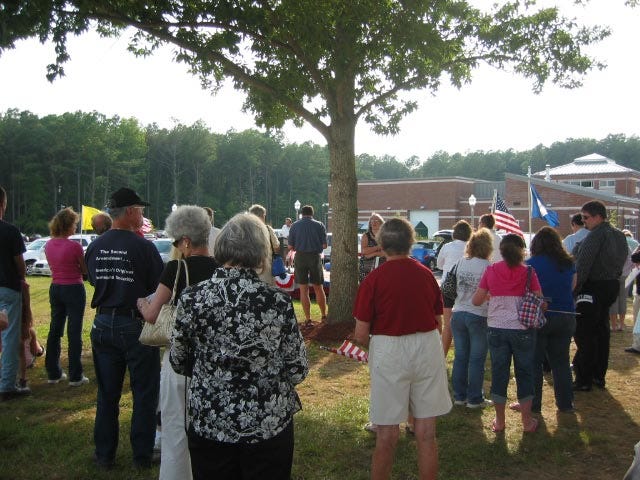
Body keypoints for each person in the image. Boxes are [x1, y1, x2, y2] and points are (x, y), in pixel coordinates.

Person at [170, 213, 308, 480]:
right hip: (267, 424)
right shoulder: (276, 302)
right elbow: (297, 369)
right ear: (260, 252)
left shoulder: (192, 298)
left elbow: (179, 360)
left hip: (210, 420)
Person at [353, 218, 451, 480]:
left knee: (386, 434)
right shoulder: (427, 275)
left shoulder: (373, 280)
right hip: (427, 345)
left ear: (382, 245)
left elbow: (361, 334)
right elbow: (439, 321)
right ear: (411, 242)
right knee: (427, 433)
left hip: (389, 348)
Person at [137, 205, 219, 480]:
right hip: (213, 362)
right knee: (210, 434)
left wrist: (141, 302)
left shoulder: (175, 268)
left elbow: (151, 315)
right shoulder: (222, 271)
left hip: (179, 362)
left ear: (185, 240)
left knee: (174, 430)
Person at [85, 187, 164, 470]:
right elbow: (158, 287)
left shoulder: (95, 246)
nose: (143, 215)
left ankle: (104, 454)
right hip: (135, 324)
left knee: (107, 393)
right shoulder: (143, 247)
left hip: (103, 322)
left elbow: (93, 279)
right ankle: (141, 456)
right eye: (140, 211)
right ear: (130, 212)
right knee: (144, 392)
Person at [472, 234, 542, 434]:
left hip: (496, 329)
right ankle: (527, 421)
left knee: (499, 372)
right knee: (525, 372)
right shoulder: (529, 272)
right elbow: (539, 299)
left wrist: (489, 296)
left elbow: (476, 301)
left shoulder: (491, 270)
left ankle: (500, 420)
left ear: (501, 251)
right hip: (523, 329)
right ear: (522, 250)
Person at [572, 200, 628, 391]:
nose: (583, 221)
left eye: (585, 217)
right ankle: (598, 375)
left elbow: (583, 265)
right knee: (601, 331)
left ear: (598, 217)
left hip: (593, 288)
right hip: (611, 286)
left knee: (585, 333)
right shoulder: (619, 236)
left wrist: (574, 289)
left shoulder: (595, 236)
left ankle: (584, 378)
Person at [524, 226, 576, 413]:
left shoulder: (530, 264)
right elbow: (572, 286)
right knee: (561, 362)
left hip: (539, 315)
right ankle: (566, 403)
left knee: (534, 363)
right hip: (565, 315)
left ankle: (534, 404)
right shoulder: (568, 263)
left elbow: (526, 291)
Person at [43, 207, 88, 386]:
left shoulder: (48, 244)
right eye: (75, 224)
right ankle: (75, 375)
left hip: (56, 287)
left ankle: (53, 372)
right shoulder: (75, 246)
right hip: (74, 288)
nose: (75, 228)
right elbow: (84, 270)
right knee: (74, 331)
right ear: (68, 225)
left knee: (55, 329)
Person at [450, 228, 492, 409]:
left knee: (460, 356)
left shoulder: (461, 262)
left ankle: (459, 396)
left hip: (458, 311)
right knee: (476, 359)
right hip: (478, 314)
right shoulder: (488, 267)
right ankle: (475, 398)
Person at [0, 186, 29, 401]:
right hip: (8, 288)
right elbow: (20, 264)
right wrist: (22, 278)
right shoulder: (10, 231)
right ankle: (7, 385)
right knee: (10, 337)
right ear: (3, 204)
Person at [287, 205, 328, 323]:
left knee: (303, 289)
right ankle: (324, 315)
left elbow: (290, 246)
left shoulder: (294, 226)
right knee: (319, 288)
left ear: (302, 213)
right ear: (312, 213)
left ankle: (308, 319)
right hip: (315, 257)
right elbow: (324, 245)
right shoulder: (319, 225)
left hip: (300, 257)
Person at [437, 220, 472, 355]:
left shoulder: (447, 247)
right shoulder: (471, 247)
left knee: (447, 325)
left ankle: (442, 356)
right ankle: (462, 355)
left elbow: (439, 265)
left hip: (448, 286)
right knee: (464, 325)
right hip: (465, 287)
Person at [248, 204, 280, 285]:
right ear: (263, 216)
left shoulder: (245, 229)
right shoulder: (268, 229)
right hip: (266, 267)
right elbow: (276, 246)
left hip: (248, 267)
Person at [359, 213, 386, 282]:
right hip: (366, 269)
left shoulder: (385, 236)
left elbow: (384, 253)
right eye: (372, 220)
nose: (373, 222)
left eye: (376, 220)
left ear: (381, 223)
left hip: (382, 268)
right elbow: (363, 251)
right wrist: (377, 248)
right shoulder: (366, 236)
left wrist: (372, 253)